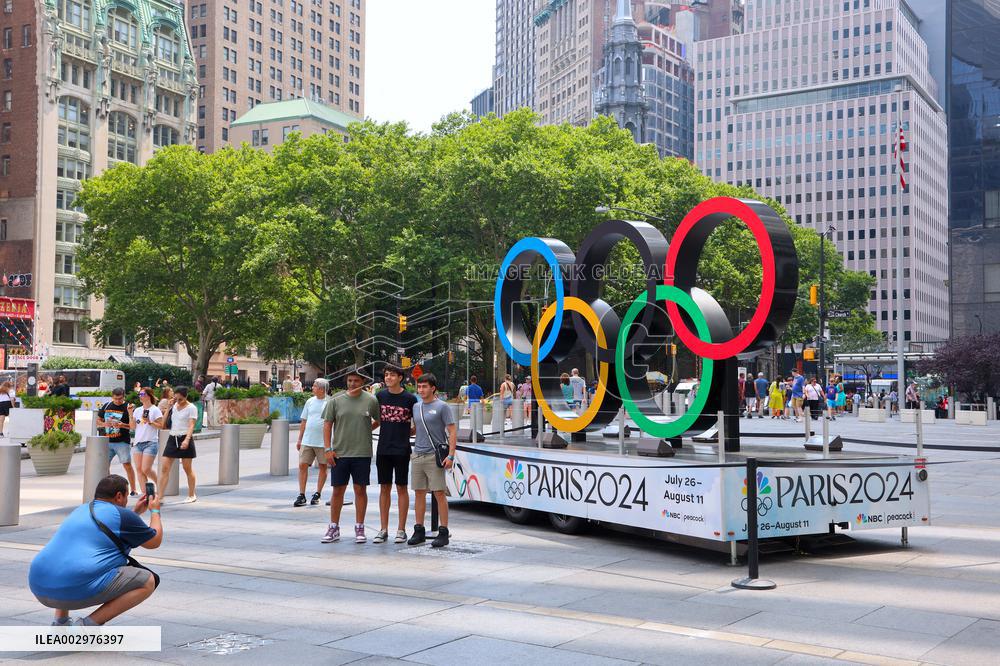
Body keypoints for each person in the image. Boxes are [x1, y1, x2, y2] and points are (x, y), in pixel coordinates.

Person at [28, 474, 162, 626]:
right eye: (126, 496)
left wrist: (134, 513)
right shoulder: (122, 515)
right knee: (147, 581)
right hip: (71, 591)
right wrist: (155, 511)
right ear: (119, 496)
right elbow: (154, 541)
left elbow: (112, 526)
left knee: (70, 559)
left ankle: (60, 622)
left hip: (38, 586)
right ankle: (85, 627)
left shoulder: (81, 509)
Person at [321, 369, 380, 544]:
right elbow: (327, 425)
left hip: (362, 453)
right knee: (337, 490)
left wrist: (367, 430)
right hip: (339, 453)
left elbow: (379, 420)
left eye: (356, 380)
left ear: (363, 382)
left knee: (360, 490)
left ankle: (360, 527)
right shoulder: (336, 400)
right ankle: (333, 527)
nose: (352, 384)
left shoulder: (371, 400)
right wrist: (327, 449)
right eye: (349, 380)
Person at [408, 373, 456, 548]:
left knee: (439, 493)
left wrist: (451, 455)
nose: (421, 390)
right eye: (419, 387)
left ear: (433, 388)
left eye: (424, 387)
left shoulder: (442, 407)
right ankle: (419, 529)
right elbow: (415, 429)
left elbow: (452, 431)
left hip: (433, 456)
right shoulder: (416, 407)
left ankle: (443, 531)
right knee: (419, 492)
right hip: (417, 454)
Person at [374, 366, 417, 544]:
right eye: (386, 374)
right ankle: (383, 529)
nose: (388, 377)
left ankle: (401, 529)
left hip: (402, 449)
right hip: (383, 448)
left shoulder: (410, 399)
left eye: (392, 375)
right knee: (384, 487)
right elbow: (377, 420)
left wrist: (405, 433)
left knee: (401, 487)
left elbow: (418, 423)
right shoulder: (380, 396)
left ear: (400, 377)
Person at [294, 378, 331, 507]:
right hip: (307, 440)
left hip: (323, 441)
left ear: (321, 389)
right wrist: (300, 439)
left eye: (314, 386)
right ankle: (301, 494)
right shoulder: (310, 401)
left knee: (323, 466)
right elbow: (304, 421)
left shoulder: (330, 402)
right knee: (302, 465)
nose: (312, 388)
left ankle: (317, 493)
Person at [159, 387, 198, 503]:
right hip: (173, 437)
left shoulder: (192, 408)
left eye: (180, 399)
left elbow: (191, 425)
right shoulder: (174, 406)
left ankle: (192, 494)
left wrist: (187, 440)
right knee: (165, 468)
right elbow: (163, 423)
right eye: (176, 399)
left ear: (186, 397)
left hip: (184, 437)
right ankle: (160, 496)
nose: (178, 401)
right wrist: (169, 408)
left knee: (187, 468)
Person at [97, 388, 136, 496]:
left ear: (124, 396)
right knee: (104, 465)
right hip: (107, 440)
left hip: (122, 441)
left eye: (120, 398)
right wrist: (105, 424)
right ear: (112, 397)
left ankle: (133, 489)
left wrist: (122, 425)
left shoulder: (128, 407)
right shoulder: (107, 405)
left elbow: (133, 427)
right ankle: (109, 489)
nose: (118, 401)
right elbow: (98, 420)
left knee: (127, 464)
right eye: (115, 398)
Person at [129, 387, 161, 491]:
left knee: (146, 469)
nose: (140, 396)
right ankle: (145, 494)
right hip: (138, 443)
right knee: (139, 470)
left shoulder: (155, 410)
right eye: (139, 394)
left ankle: (159, 483)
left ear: (149, 396)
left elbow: (161, 425)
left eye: (142, 394)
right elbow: (133, 427)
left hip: (151, 442)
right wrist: (130, 413)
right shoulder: (138, 410)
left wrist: (150, 422)